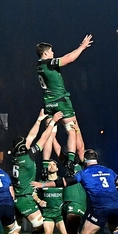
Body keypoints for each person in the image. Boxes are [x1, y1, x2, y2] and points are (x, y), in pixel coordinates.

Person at [33, 149, 118, 234]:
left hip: (101, 206)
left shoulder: (84, 173)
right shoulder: (108, 170)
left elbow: (64, 182)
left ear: (85, 160)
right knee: (115, 229)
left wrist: (43, 185)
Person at [0, 110, 61, 234]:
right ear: (24, 148)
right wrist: (52, 122)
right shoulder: (28, 157)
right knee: (41, 227)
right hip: (25, 198)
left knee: (14, 231)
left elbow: (31, 137)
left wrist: (39, 120)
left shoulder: (16, 157)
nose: (28, 143)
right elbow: (43, 138)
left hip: (15, 199)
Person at [36, 37, 92, 166]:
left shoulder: (38, 65)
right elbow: (69, 58)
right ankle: (73, 162)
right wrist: (82, 47)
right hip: (61, 101)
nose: (53, 53)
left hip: (48, 104)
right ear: (45, 53)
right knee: (73, 131)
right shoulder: (49, 63)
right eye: (51, 51)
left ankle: (45, 165)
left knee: (50, 135)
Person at [34, 157, 78, 234]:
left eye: (54, 164)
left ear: (57, 168)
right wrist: (39, 201)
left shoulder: (62, 181)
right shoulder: (42, 182)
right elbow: (34, 194)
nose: (51, 166)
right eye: (49, 164)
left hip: (60, 213)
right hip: (47, 213)